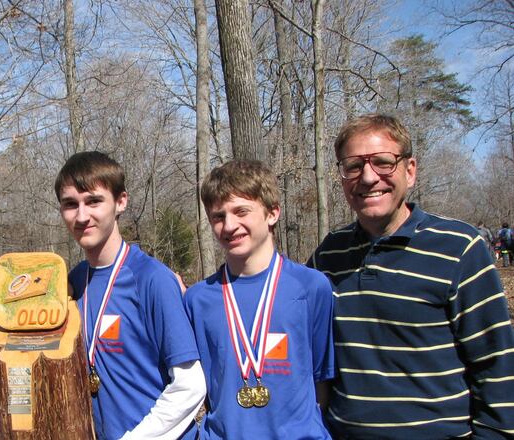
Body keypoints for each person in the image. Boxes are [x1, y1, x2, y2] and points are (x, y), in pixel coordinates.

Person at [309, 113, 514, 438]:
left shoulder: (458, 248)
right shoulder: (327, 256)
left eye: (383, 162)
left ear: (410, 170)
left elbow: (497, 367)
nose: (368, 177)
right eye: (353, 166)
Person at [55, 151, 206, 439]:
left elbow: (190, 385)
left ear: (120, 201)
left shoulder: (152, 279)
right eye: (70, 204)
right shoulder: (73, 282)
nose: (82, 215)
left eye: (94, 201)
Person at [184, 160, 334, 439]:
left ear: (272, 213)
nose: (229, 225)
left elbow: (321, 381)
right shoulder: (197, 300)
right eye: (218, 216)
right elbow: (203, 388)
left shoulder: (312, 287)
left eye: (241, 211)